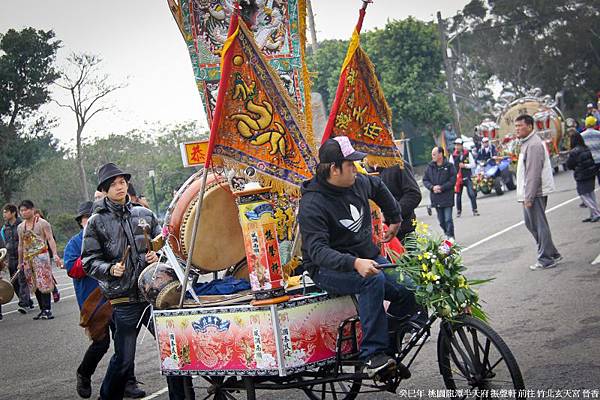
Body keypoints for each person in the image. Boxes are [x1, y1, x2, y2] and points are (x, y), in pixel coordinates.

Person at [298, 136, 417, 378]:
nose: (356, 168)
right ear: (334, 168)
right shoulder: (312, 204)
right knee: (372, 280)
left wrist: (394, 217)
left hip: (366, 256)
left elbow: (379, 188)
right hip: (327, 268)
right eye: (350, 164)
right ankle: (373, 355)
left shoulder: (358, 182)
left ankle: (389, 346)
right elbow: (318, 251)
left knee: (410, 289)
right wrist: (354, 263)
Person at [82, 163, 192, 400]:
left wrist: (157, 254)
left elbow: (166, 243)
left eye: (122, 182)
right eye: (113, 185)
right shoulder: (96, 222)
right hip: (123, 300)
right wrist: (111, 269)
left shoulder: (144, 214)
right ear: (104, 189)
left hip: (155, 295)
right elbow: (88, 261)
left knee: (172, 349)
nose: (119, 187)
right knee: (124, 359)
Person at [65, 201, 146, 399]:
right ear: (81, 222)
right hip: (94, 302)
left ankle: (128, 381)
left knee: (124, 340)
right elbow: (72, 269)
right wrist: (93, 258)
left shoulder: (111, 232)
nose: (89, 221)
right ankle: (84, 373)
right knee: (101, 344)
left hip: (117, 297)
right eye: (85, 219)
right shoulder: (75, 243)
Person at [515, 114, 562, 271]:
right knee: (532, 224)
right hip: (529, 192)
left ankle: (546, 259)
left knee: (538, 224)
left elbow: (533, 173)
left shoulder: (533, 144)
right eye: (516, 126)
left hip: (535, 192)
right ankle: (552, 253)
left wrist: (529, 196)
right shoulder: (527, 143)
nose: (517, 129)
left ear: (529, 126)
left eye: (520, 126)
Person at [17, 200, 62, 319]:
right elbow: (20, 245)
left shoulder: (42, 223)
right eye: (21, 210)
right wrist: (20, 261)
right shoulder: (21, 227)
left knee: (44, 283)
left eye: (26, 209)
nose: (24, 212)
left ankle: (47, 309)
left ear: (32, 209)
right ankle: (42, 309)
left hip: (41, 257)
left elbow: (50, 239)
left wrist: (55, 254)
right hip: (28, 259)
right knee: (34, 284)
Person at [370, 161, 422, 242]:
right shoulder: (365, 169)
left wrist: (388, 215)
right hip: (376, 234)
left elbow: (414, 195)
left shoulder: (399, 165)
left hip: (402, 231)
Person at [1, 204, 33, 315]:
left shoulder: (21, 225)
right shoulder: (5, 228)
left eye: (6, 212)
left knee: (23, 280)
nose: (4, 214)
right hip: (11, 258)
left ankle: (24, 304)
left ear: (13, 212)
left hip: (22, 256)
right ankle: (27, 300)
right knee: (13, 282)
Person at [423, 147, 457, 240]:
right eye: (432, 154)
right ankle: (447, 233)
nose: (432, 156)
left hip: (447, 197)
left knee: (448, 219)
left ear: (440, 154)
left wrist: (442, 188)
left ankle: (450, 236)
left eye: (434, 154)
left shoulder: (449, 166)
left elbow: (452, 180)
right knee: (441, 221)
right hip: (436, 198)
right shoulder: (430, 167)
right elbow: (425, 180)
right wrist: (432, 187)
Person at [566, 132, 600, 222]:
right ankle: (593, 214)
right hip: (591, 173)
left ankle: (596, 213)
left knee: (583, 194)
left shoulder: (573, 152)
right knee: (591, 194)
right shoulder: (586, 148)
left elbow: (569, 164)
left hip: (582, 175)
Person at [34, 208, 61, 303]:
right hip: (35, 255)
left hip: (46, 253)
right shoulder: (31, 228)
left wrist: (54, 253)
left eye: (38, 216)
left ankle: (54, 291)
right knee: (44, 275)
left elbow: (51, 239)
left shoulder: (45, 225)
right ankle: (52, 291)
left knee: (47, 273)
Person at [449, 138, 479, 217]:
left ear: (462, 145)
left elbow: (473, 164)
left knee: (471, 194)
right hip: (458, 178)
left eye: (458, 145)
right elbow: (450, 167)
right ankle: (459, 211)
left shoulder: (467, 153)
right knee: (458, 195)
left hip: (467, 176)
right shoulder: (453, 156)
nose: (457, 146)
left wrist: (465, 165)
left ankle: (475, 210)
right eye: (456, 145)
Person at [581, 115, 600, 186]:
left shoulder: (582, 135)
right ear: (594, 124)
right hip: (598, 160)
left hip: (588, 161)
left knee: (590, 181)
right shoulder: (598, 134)